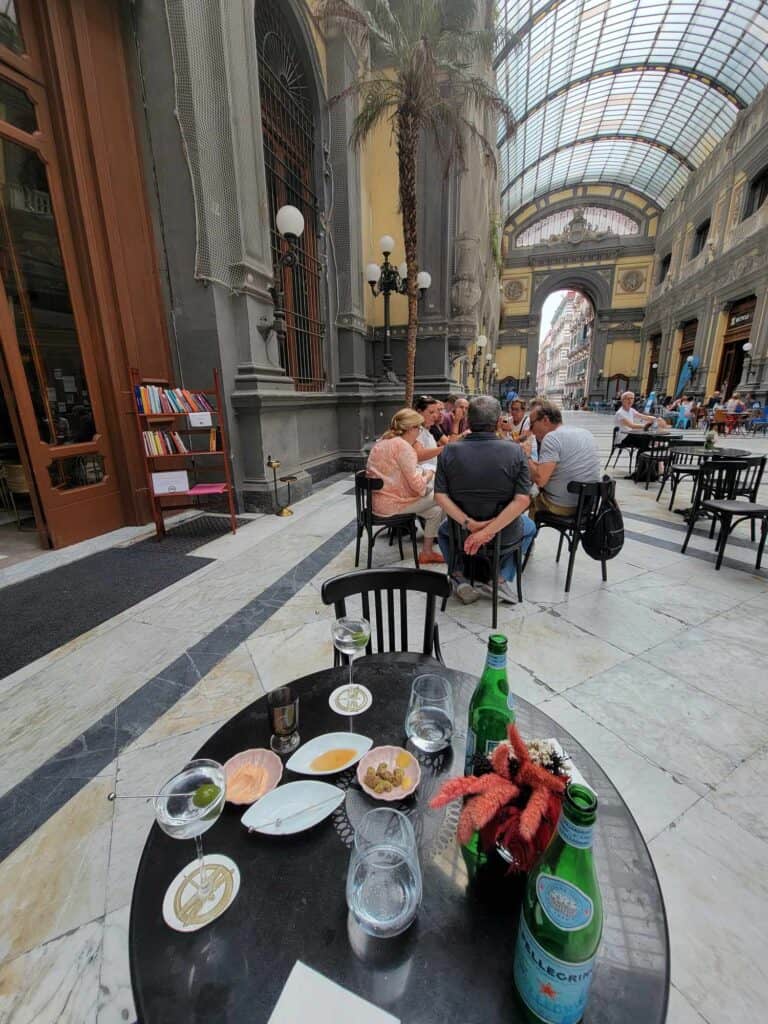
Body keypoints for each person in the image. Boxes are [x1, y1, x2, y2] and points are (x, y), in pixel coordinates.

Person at [434, 395, 536, 605]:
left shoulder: (449, 451)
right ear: (499, 421)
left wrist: (470, 525)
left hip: (461, 532)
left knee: (444, 532)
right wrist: (489, 531)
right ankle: (499, 578)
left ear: (469, 422)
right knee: (530, 527)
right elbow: (522, 500)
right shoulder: (515, 451)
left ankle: (459, 577)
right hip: (504, 533)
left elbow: (440, 496)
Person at [366, 408, 445, 565]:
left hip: (376, 501)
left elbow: (395, 471)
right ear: (411, 428)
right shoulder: (403, 447)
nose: (419, 432)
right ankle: (453, 539)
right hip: (392, 504)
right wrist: (429, 473)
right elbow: (418, 487)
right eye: (419, 428)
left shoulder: (383, 440)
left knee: (435, 511)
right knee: (443, 497)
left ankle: (427, 553)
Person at [523, 401, 601, 520]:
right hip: (588, 505)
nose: (531, 430)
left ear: (545, 420)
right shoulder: (586, 433)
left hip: (563, 506)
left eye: (532, 424)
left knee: (523, 499)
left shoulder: (552, 438)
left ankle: (522, 535)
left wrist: (526, 456)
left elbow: (540, 480)